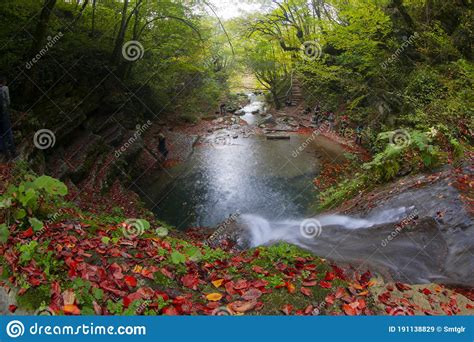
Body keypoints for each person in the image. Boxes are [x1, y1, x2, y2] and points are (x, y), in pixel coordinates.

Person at [0, 76, 16, 160]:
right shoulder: (5, 88)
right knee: (8, 133)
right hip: (4, 114)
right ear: (4, 81)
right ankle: (13, 152)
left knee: (1, 134)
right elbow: (8, 102)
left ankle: (5, 153)